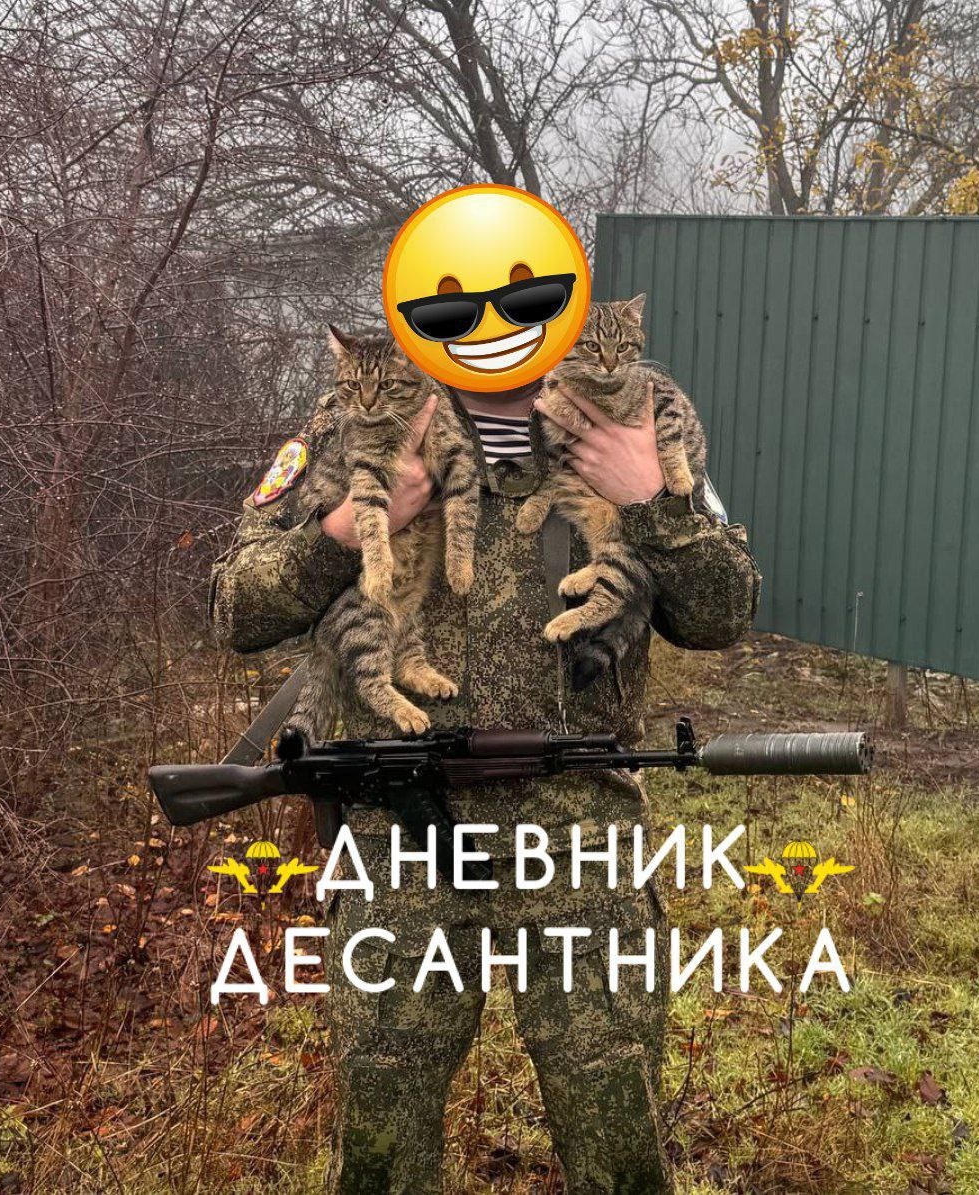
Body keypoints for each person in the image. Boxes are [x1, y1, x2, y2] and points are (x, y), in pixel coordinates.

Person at [210, 366, 760, 1194]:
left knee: (620, 1139)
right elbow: (234, 605)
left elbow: (725, 610)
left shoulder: (632, 405)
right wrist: (347, 530)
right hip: (400, 838)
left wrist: (651, 498)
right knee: (381, 1148)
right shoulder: (357, 415)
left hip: (580, 841)